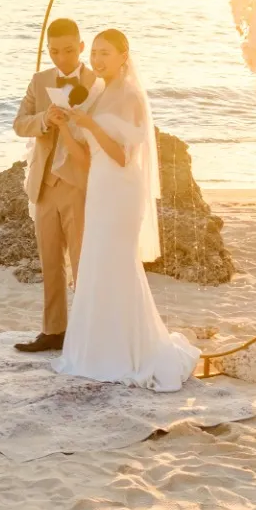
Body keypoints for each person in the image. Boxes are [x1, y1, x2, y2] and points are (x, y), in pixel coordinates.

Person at [52, 29, 200, 391]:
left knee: (117, 264)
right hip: (100, 187)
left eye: (106, 53)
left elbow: (122, 156)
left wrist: (87, 124)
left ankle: (130, 351)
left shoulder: (131, 96)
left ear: (123, 56)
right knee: (95, 265)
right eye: (96, 53)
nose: (98, 60)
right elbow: (87, 158)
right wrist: (66, 130)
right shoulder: (98, 95)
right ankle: (96, 353)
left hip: (122, 190)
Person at [11, 17, 96, 353]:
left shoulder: (96, 82)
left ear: (81, 47)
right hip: (44, 182)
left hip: (80, 183)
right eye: (55, 51)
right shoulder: (40, 80)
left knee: (82, 262)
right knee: (50, 261)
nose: (62, 58)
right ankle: (53, 331)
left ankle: (88, 330)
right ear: (48, 50)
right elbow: (19, 124)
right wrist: (45, 119)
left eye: (68, 50)